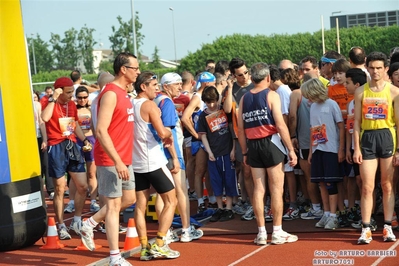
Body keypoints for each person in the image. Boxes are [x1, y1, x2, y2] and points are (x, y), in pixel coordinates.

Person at [80, 52, 138, 266]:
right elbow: (101, 131)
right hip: (111, 159)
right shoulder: (111, 93)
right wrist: (118, 161)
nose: (138, 72)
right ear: (124, 69)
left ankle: (90, 222)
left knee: (129, 199)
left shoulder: (124, 93)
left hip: (125, 157)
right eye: (135, 68)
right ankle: (115, 257)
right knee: (113, 206)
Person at [237, 62, 298, 245]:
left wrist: (245, 152)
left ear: (251, 78)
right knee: (276, 188)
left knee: (259, 188)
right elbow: (280, 124)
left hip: (252, 144)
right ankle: (277, 231)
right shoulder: (272, 95)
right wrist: (291, 149)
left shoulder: (244, 98)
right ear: (268, 78)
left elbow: (240, 129)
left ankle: (261, 232)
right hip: (271, 142)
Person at [132, 71, 180, 260]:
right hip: (153, 160)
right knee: (171, 201)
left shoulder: (130, 103)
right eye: (154, 86)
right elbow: (162, 133)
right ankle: (160, 243)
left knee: (140, 206)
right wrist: (169, 130)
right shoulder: (149, 105)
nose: (157, 89)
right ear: (143, 87)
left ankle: (144, 248)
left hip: (136, 162)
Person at [353, 51, 399, 244]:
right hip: (367, 138)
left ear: (386, 69)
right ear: (367, 68)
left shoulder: (394, 92)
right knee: (367, 187)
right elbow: (356, 122)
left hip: (387, 136)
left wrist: (398, 150)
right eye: (371, 67)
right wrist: (356, 148)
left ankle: (387, 226)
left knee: (387, 185)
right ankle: (366, 228)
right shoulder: (361, 91)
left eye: (379, 68)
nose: (375, 71)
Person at [155, 72, 203, 242]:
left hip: (158, 154)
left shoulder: (156, 101)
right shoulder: (167, 103)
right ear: (166, 86)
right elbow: (167, 133)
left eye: (180, 83)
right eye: (176, 84)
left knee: (163, 194)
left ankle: (165, 231)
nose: (180, 87)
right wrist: (175, 157)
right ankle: (186, 230)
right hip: (171, 152)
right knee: (180, 191)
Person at [41, 77, 90, 240]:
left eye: (72, 92)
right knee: (60, 188)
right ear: (59, 90)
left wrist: (84, 140)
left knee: (83, 186)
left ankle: (76, 220)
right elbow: (45, 118)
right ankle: (61, 225)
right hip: (56, 147)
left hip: (72, 145)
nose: (72, 96)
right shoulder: (50, 103)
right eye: (68, 92)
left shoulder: (71, 105)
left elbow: (74, 124)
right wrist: (53, 99)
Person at [301, 78, 345, 230]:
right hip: (318, 149)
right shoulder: (313, 107)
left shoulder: (332, 104)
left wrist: (341, 149)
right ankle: (326, 213)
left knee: (330, 182)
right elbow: (313, 130)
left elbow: (341, 127)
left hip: (331, 149)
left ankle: (334, 215)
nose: (307, 98)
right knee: (321, 183)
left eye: (308, 94)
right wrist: (311, 152)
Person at [197, 86, 237, 222]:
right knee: (216, 181)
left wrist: (233, 148)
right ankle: (220, 207)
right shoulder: (203, 116)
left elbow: (232, 130)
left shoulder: (223, 110)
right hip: (213, 152)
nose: (211, 105)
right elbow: (203, 136)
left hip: (227, 150)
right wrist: (209, 152)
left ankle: (229, 208)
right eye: (208, 102)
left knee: (229, 179)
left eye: (213, 101)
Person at [223, 57, 254, 220]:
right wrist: (228, 88)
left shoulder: (256, 85)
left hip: (257, 133)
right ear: (234, 76)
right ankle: (249, 202)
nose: (245, 76)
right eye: (240, 75)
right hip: (240, 135)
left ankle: (263, 202)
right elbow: (227, 110)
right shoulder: (231, 89)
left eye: (246, 72)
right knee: (246, 171)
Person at [181, 71, 217, 213]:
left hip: (211, 138)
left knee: (209, 171)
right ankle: (201, 201)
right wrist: (196, 134)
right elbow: (185, 117)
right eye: (213, 82)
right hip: (201, 140)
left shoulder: (210, 96)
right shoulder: (197, 98)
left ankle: (212, 198)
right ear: (207, 82)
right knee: (200, 170)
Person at [344, 68, 367, 224]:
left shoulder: (367, 99)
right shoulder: (351, 103)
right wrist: (348, 148)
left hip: (368, 145)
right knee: (358, 180)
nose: (345, 85)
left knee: (368, 182)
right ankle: (361, 212)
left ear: (357, 84)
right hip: (354, 146)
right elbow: (349, 128)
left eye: (348, 82)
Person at [75, 86, 99, 212]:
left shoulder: (91, 110)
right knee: (75, 173)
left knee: (91, 173)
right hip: (77, 141)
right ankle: (73, 201)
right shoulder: (73, 110)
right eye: (79, 98)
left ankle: (93, 200)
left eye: (85, 97)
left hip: (91, 140)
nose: (82, 100)